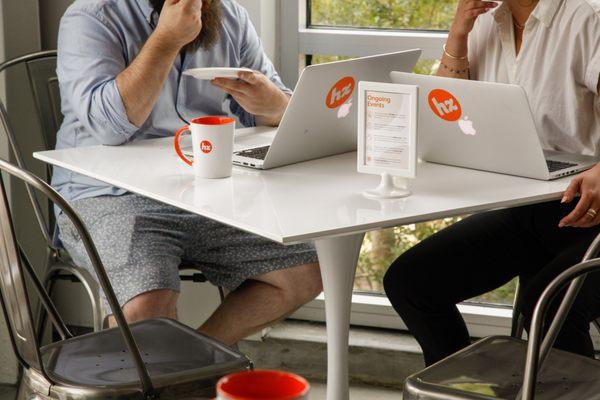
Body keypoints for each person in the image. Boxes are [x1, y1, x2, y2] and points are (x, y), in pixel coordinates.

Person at [53, 0, 322, 346]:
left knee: (307, 271)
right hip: (106, 195)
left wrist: (277, 106)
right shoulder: (91, 16)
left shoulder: (231, 15)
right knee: (146, 302)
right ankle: (173, 379)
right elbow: (108, 129)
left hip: (201, 193)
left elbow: (277, 108)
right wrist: (166, 40)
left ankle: (197, 363)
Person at [384, 0, 600, 366]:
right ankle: (464, 386)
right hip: (537, 206)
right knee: (412, 282)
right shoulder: (484, 20)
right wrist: (458, 32)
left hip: (591, 209)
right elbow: (445, 115)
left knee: (545, 305)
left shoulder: (588, 17)